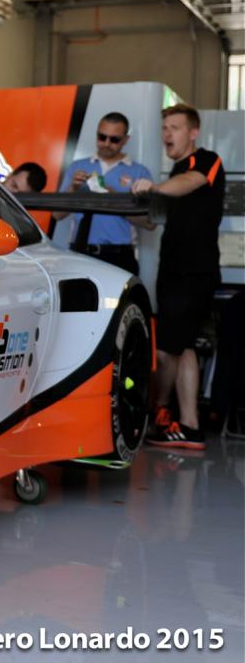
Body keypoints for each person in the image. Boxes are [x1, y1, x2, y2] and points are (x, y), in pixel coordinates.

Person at [131, 104, 225, 451]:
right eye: (164, 127)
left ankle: (165, 412)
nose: (166, 134)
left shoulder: (206, 160)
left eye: (174, 127)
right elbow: (152, 221)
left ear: (193, 132)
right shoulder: (172, 174)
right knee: (182, 347)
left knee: (168, 348)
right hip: (172, 271)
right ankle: (187, 425)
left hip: (194, 272)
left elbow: (191, 182)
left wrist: (154, 186)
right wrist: (123, 206)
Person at [55, 111, 154, 274]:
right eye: (102, 137)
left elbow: (150, 223)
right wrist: (73, 188)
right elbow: (57, 215)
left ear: (126, 140)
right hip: (80, 251)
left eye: (114, 139)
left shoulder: (139, 172)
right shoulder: (78, 167)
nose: (106, 143)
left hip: (120, 255)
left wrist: (114, 200)